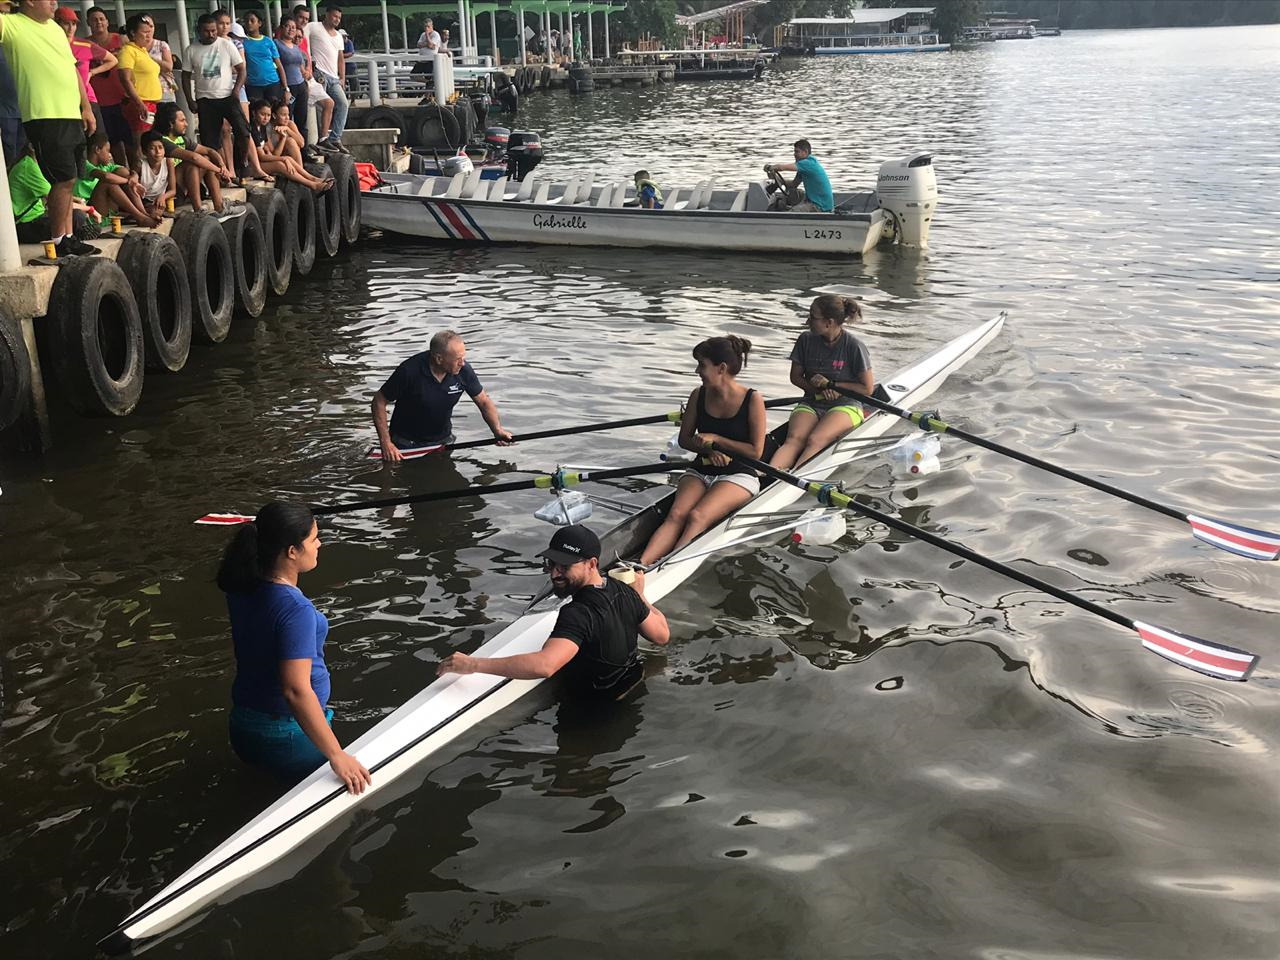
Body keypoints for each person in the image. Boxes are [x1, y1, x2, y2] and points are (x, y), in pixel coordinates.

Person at [217, 501, 372, 793]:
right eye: (313, 539)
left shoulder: (241, 585)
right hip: (288, 738)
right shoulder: (295, 609)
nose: (319, 544)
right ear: (292, 551)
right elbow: (295, 690)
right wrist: (337, 755)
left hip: (243, 726)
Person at [438, 525, 670, 700]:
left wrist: (473, 665)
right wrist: (640, 595)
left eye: (565, 567)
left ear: (591, 564)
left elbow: (545, 666)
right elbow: (661, 636)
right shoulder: (623, 590)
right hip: (634, 688)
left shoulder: (577, 613)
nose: (554, 574)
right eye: (551, 564)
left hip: (593, 711)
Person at [638, 336, 766, 565]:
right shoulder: (698, 394)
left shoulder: (753, 399)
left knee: (697, 517)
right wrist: (708, 450)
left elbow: (756, 452)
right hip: (701, 468)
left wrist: (717, 439)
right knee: (677, 515)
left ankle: (667, 566)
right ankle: (642, 565)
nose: (697, 370)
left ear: (721, 369)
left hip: (739, 473)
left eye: (702, 365)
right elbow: (685, 440)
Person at [0, 0, 98, 258]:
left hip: (70, 113)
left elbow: (72, 69)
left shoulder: (55, 30)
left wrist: (85, 107)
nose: (54, 1)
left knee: (71, 178)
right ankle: (58, 239)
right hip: (43, 114)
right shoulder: (10, 25)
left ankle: (68, 237)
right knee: (61, 178)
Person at [371, 330, 512, 463]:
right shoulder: (409, 371)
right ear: (439, 359)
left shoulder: (463, 371)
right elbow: (379, 401)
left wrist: (497, 431)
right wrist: (386, 442)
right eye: (458, 358)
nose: (462, 363)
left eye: (463, 357)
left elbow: (483, 402)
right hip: (405, 443)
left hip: (442, 441)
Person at [770, 295, 874, 470]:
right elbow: (795, 377)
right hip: (812, 401)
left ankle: (792, 482)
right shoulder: (805, 339)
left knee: (815, 440)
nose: (808, 320)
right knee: (794, 439)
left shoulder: (854, 346)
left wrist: (836, 387)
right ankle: (768, 478)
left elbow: (867, 388)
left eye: (813, 316)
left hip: (846, 404)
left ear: (829, 322)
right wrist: (815, 389)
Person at [182, 13, 251, 184]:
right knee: (210, 141)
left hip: (227, 96)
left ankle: (241, 165)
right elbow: (185, 76)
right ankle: (220, 174)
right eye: (207, 31)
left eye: (214, 30)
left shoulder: (226, 45)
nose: (211, 34)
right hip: (205, 100)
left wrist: (236, 90)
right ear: (199, 31)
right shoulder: (191, 50)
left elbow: (242, 69)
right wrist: (190, 100)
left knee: (244, 132)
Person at [152, 102, 242, 217]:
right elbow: (193, 157)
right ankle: (198, 210)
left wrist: (222, 166)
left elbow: (210, 151)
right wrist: (219, 171)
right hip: (168, 191)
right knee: (193, 164)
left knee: (206, 160)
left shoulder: (182, 139)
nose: (186, 124)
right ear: (171, 124)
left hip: (182, 186)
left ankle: (219, 207)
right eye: (182, 120)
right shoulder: (161, 141)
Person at [55, 6, 114, 138]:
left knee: (99, 141)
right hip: (62, 101)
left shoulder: (85, 45)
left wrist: (92, 72)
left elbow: (112, 60)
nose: (71, 28)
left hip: (88, 98)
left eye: (74, 24)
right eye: (66, 23)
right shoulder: (50, 46)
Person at [76, 130, 158, 226]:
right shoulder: (84, 165)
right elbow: (106, 176)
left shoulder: (106, 166)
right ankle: (140, 217)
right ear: (97, 150)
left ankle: (143, 214)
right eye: (107, 150)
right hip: (88, 213)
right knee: (107, 183)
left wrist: (133, 177)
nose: (110, 155)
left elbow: (127, 172)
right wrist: (129, 181)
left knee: (126, 179)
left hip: (104, 210)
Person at [247, 96, 330, 191]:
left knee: (288, 151)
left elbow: (301, 144)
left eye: (268, 115)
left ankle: (313, 179)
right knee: (280, 164)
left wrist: (287, 133)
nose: (266, 118)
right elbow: (263, 156)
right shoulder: (255, 129)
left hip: (264, 161)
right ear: (254, 113)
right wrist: (283, 157)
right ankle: (312, 185)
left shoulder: (261, 128)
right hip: (251, 167)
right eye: (263, 114)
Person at [116, 13, 162, 157]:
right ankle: (139, 175)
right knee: (141, 145)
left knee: (150, 143)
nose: (149, 36)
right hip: (141, 103)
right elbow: (125, 78)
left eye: (150, 33)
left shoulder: (142, 51)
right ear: (133, 33)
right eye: (144, 33)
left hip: (152, 103)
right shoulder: (128, 51)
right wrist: (139, 103)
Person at [85, 5, 126, 164]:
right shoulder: (85, 44)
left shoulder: (120, 40)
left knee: (129, 145)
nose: (98, 22)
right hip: (98, 101)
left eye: (101, 19)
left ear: (108, 22)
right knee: (108, 144)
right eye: (94, 20)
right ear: (88, 23)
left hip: (122, 99)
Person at [304, 4, 347, 154]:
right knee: (320, 106)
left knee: (343, 104)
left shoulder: (339, 36)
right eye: (334, 16)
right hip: (319, 73)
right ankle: (319, 140)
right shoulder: (313, 26)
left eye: (339, 18)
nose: (336, 20)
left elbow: (341, 58)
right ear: (327, 14)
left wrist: (342, 77)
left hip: (334, 77)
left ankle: (335, 138)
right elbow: (302, 42)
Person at [763, 138, 833, 213]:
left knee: (792, 212)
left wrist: (770, 167)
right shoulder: (803, 167)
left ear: (805, 152)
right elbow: (793, 184)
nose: (794, 154)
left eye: (797, 152)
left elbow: (782, 167)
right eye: (794, 151)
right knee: (794, 192)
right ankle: (782, 206)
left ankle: (783, 216)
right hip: (814, 200)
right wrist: (780, 181)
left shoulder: (808, 163)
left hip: (820, 206)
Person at [241, 9, 287, 103]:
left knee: (274, 112)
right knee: (257, 114)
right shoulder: (242, 42)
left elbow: (279, 65)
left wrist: (286, 87)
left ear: (259, 23)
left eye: (252, 20)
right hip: (253, 85)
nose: (249, 23)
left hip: (273, 83)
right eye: (246, 21)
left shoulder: (268, 41)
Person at [274, 17, 308, 138]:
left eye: (293, 27)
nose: (291, 30)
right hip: (288, 86)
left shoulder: (296, 47)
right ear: (282, 28)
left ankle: (305, 151)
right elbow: (276, 66)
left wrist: (305, 76)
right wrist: (285, 88)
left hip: (301, 85)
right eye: (288, 26)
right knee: (287, 117)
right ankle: (289, 147)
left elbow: (300, 65)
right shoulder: (276, 44)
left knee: (302, 118)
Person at [135, 129, 174, 219]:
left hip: (161, 198)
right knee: (154, 212)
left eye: (160, 147)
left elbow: (173, 190)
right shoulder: (140, 165)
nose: (158, 152)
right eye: (152, 148)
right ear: (144, 151)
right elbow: (134, 189)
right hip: (143, 200)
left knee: (157, 211)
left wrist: (163, 197)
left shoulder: (168, 162)